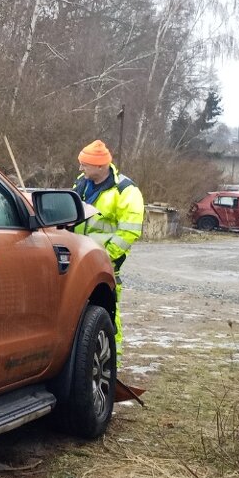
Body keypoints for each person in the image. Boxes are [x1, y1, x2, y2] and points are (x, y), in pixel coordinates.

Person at [73, 140, 145, 355]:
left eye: (84, 164)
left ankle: (112, 363)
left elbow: (130, 230)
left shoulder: (126, 191)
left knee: (107, 313)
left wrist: (107, 256)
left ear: (100, 166)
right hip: (80, 259)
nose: (80, 168)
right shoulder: (81, 183)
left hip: (106, 263)